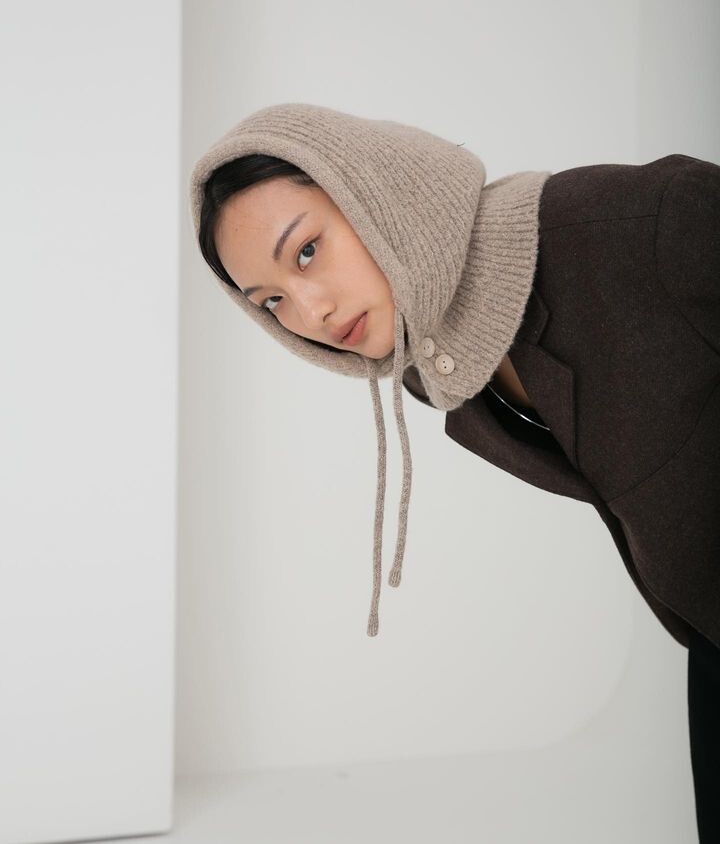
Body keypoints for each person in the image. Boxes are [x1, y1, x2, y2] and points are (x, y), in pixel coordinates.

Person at [188, 103, 719, 839]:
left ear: (377, 190)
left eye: (306, 251)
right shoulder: (439, 367)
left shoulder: (644, 221)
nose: (310, 311)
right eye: (271, 302)